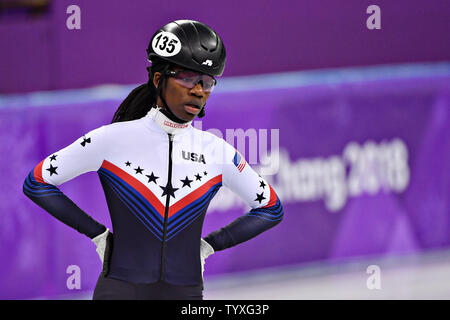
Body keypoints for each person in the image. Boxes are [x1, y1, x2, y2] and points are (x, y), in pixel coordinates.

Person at [23, 19, 284, 300]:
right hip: (121, 288)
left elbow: (270, 208)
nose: (198, 90)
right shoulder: (110, 139)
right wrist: (97, 234)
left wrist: (209, 245)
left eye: (207, 82)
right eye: (186, 77)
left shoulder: (217, 152)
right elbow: (37, 182)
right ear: (158, 79)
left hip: (184, 290)